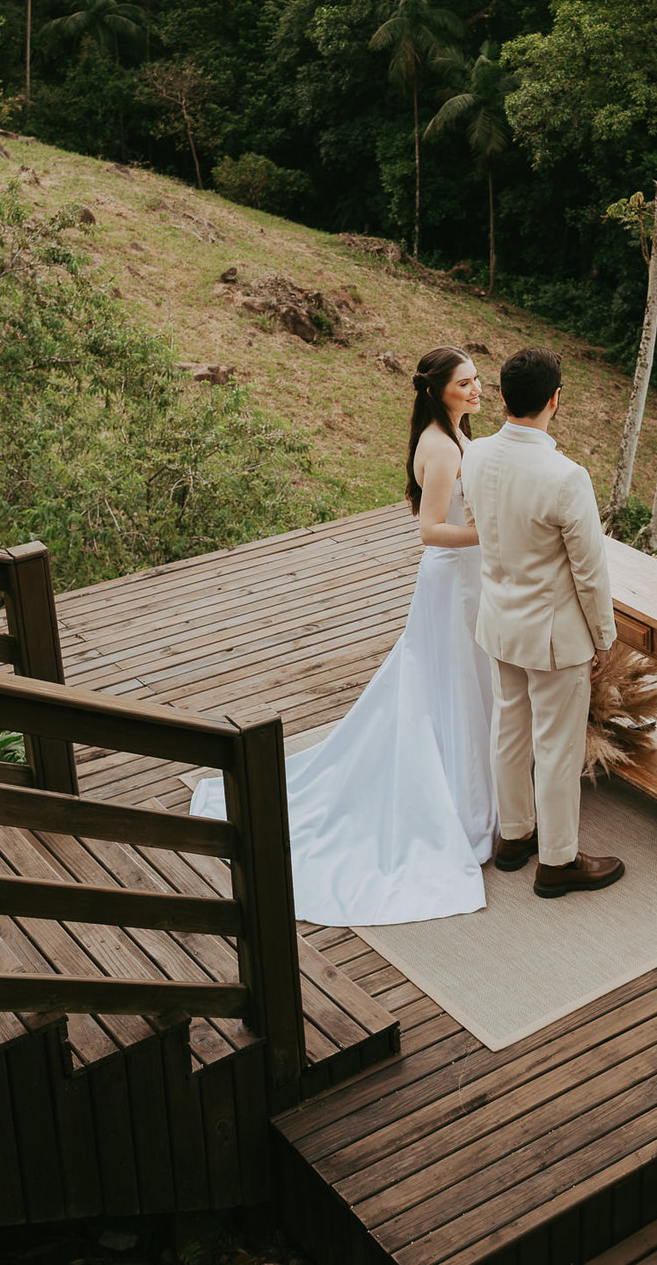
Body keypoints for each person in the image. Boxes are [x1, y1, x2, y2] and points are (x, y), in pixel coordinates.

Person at [190, 346, 498, 925]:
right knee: (447, 682)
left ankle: (478, 784)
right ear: (437, 390)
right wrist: (486, 533)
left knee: (462, 681)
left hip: (469, 580)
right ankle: (456, 799)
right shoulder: (437, 447)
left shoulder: (458, 435)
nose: (477, 389)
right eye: (465, 383)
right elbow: (431, 531)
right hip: (450, 580)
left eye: (477, 380)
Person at [460, 346, 624, 899]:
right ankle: (557, 861)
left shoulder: (476, 454)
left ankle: (514, 836)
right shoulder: (566, 476)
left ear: (503, 397)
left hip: (499, 620)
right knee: (556, 745)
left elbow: (478, 522)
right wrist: (604, 637)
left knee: (509, 728)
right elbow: (590, 572)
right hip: (553, 636)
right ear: (556, 400)